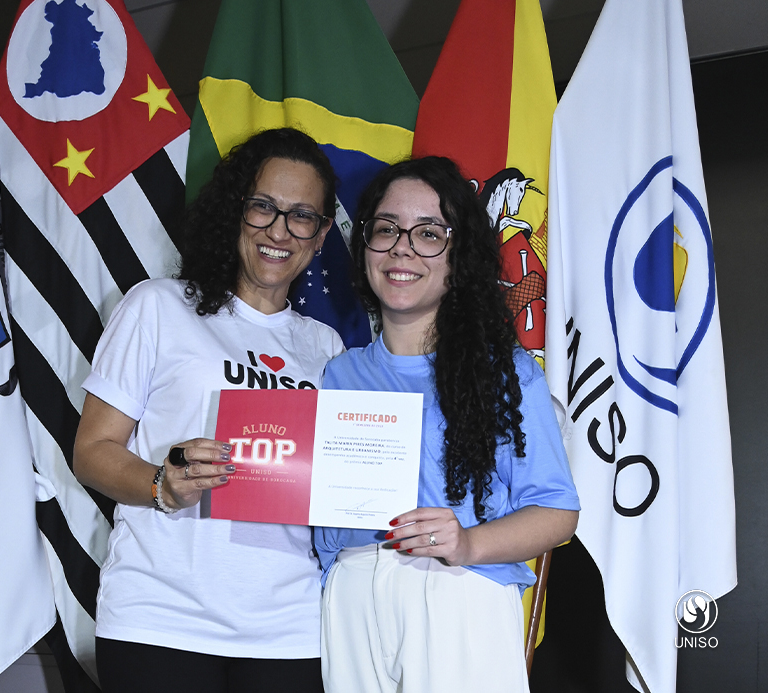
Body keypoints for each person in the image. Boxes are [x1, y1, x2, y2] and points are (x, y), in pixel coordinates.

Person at [73, 128, 344, 693]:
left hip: (290, 628)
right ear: (234, 211)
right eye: (263, 206)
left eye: (301, 216)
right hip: (160, 618)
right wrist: (162, 485)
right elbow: (92, 451)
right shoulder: (157, 306)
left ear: (320, 235)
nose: (279, 231)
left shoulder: (327, 348)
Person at [315, 157, 580, 693]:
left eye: (429, 233)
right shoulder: (337, 373)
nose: (402, 248)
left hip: (457, 592)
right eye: (387, 229)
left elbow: (557, 513)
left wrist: (467, 544)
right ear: (364, 245)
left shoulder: (504, 373)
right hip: (348, 597)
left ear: (459, 258)